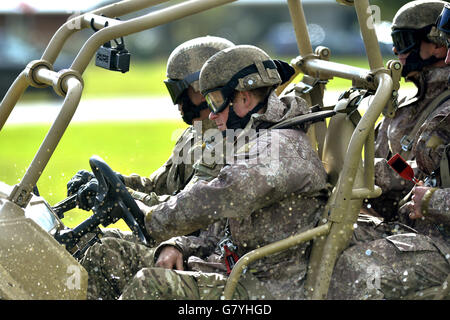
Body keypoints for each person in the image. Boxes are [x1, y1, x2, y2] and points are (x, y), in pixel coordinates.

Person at [113, 44, 329, 300]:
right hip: (231, 268)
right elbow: (221, 227)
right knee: (109, 256)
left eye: (216, 102)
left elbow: (217, 196)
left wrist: (151, 218)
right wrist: (178, 245)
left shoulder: (280, 147)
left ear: (244, 98)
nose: (212, 115)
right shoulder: (255, 139)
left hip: (263, 290)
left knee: (153, 284)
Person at [76, 36, 235, 299]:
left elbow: (187, 212)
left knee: (102, 252)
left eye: (182, 91)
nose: (178, 101)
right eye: (174, 91)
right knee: (87, 241)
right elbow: (156, 186)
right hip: (170, 235)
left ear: (207, 87)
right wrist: (114, 182)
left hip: (193, 247)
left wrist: (124, 197)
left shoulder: (226, 142)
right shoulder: (195, 134)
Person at [326, 1, 450, 299]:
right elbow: (412, 176)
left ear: (433, 46)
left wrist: (432, 200)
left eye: (403, 42)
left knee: (356, 270)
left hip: (439, 240)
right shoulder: (404, 108)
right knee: (318, 241)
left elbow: (412, 180)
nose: (397, 52)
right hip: (411, 228)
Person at [367, 0, 450, 221]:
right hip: (381, 214)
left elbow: (433, 177)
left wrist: (369, 171)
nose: (396, 50)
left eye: (403, 41)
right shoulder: (403, 101)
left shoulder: (445, 109)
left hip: (419, 225)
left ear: (439, 45)